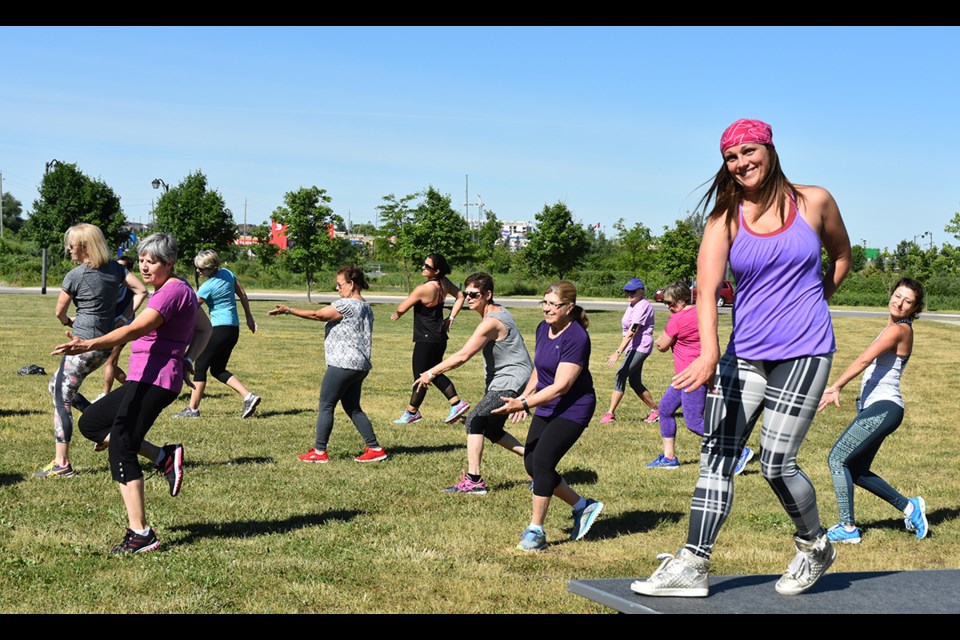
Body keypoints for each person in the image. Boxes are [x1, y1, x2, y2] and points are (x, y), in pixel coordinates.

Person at [632, 118, 851, 597]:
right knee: (716, 457)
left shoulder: (814, 201)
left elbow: (841, 257)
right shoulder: (724, 218)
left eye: (748, 152)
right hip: (745, 353)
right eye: (731, 157)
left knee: (776, 463)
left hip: (806, 352)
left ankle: (815, 546)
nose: (740, 163)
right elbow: (706, 291)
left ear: (770, 151)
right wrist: (709, 352)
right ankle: (692, 565)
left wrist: (816, 300)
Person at [52, 232, 212, 553]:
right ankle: (164, 456)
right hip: (143, 377)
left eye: (151, 262)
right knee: (93, 423)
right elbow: (203, 328)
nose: (144, 267)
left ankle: (141, 534)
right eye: (141, 260)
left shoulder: (172, 292)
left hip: (156, 381)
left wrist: (90, 343)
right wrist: (188, 356)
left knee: (120, 448)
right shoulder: (170, 289)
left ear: (169, 263)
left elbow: (137, 328)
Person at [493, 280, 604, 551]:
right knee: (531, 463)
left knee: (542, 462)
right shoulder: (543, 328)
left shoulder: (576, 337)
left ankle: (536, 531)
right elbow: (539, 371)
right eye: (545, 303)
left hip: (573, 408)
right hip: (548, 404)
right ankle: (582, 506)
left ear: (569, 307)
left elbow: (562, 386)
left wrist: (525, 404)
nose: (547, 309)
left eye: (554, 305)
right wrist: (523, 398)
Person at [820, 278, 928, 544]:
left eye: (908, 301)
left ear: (914, 309)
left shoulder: (900, 330)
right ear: (890, 294)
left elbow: (864, 359)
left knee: (837, 458)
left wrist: (836, 386)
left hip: (885, 407)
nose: (900, 303)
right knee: (855, 470)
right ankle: (910, 508)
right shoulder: (892, 327)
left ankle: (848, 529)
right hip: (878, 408)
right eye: (898, 296)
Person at [34, 224, 147, 478]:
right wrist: (123, 319)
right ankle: (102, 423)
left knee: (61, 396)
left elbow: (59, 312)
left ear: (85, 246)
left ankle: (62, 463)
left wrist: (67, 322)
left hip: (82, 344)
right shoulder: (116, 269)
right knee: (56, 386)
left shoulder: (75, 275)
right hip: (105, 345)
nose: (68, 249)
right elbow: (141, 290)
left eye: (71, 245)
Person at [414, 273, 530, 494]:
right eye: (466, 293)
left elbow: (463, 356)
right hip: (511, 377)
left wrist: (431, 372)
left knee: (475, 421)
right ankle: (536, 460)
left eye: (474, 294)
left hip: (511, 380)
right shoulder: (497, 311)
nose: (468, 298)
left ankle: (474, 481)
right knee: (492, 429)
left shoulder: (491, 322)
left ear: (488, 294)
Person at [268, 266, 387, 464]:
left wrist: (288, 310)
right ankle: (375, 448)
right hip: (360, 365)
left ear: (352, 284)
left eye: (340, 285)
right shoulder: (366, 306)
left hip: (343, 364)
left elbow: (318, 314)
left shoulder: (347, 305)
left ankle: (320, 451)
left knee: (326, 405)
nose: (337, 288)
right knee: (353, 407)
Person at [171, 249, 261, 419]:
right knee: (218, 369)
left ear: (211, 268)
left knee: (200, 366)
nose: (198, 271)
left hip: (218, 329)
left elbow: (190, 309)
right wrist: (249, 317)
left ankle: (192, 409)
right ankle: (248, 396)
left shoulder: (207, 286)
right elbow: (242, 294)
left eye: (201, 269)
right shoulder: (228, 273)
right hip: (233, 329)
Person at [390, 253, 470, 424]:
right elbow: (460, 296)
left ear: (436, 270)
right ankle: (418, 410)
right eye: (423, 264)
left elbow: (402, 307)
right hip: (439, 336)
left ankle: (417, 412)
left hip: (426, 338)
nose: (423, 268)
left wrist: (397, 313)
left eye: (427, 266)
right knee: (432, 372)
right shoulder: (444, 283)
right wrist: (451, 317)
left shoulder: (424, 288)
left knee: (422, 375)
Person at [645, 281, 707, 469]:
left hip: (691, 375)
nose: (669, 307)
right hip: (688, 375)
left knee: (694, 422)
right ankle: (669, 458)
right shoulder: (701, 312)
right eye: (665, 304)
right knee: (664, 409)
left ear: (681, 300)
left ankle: (737, 448)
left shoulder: (677, 319)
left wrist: (659, 341)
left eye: (671, 303)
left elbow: (662, 346)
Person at [600, 277, 659, 424]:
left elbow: (632, 331)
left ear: (642, 291)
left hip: (641, 346)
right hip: (632, 346)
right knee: (634, 382)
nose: (629, 294)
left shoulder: (643, 306)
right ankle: (656, 410)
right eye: (627, 291)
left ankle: (610, 413)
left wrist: (618, 352)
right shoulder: (633, 304)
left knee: (621, 374)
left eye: (632, 291)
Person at [99, 254, 146, 400]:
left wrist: (124, 318)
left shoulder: (128, 285)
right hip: (114, 324)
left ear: (129, 269)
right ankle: (132, 388)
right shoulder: (118, 283)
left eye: (122, 267)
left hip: (123, 326)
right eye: (117, 266)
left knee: (110, 361)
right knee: (109, 361)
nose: (119, 269)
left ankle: (105, 394)